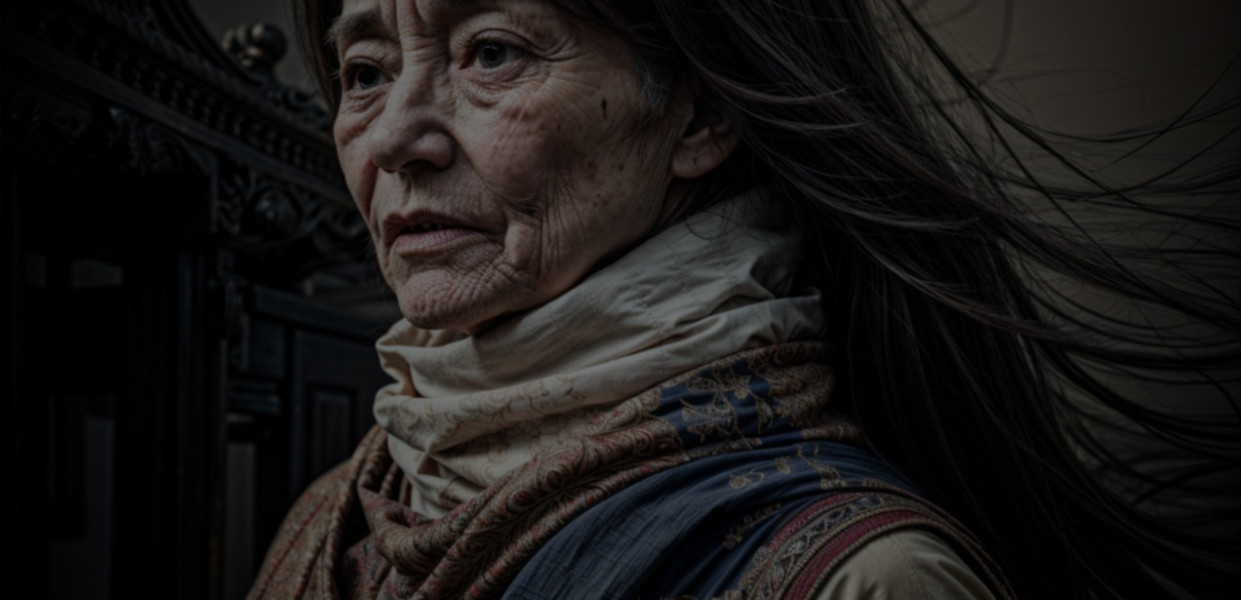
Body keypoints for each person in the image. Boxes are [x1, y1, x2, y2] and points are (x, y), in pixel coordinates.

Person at [248, 0, 1239, 598]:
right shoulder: (328, 524)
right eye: (366, 72)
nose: (395, 140)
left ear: (699, 112)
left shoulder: (864, 581)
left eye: (492, 53)